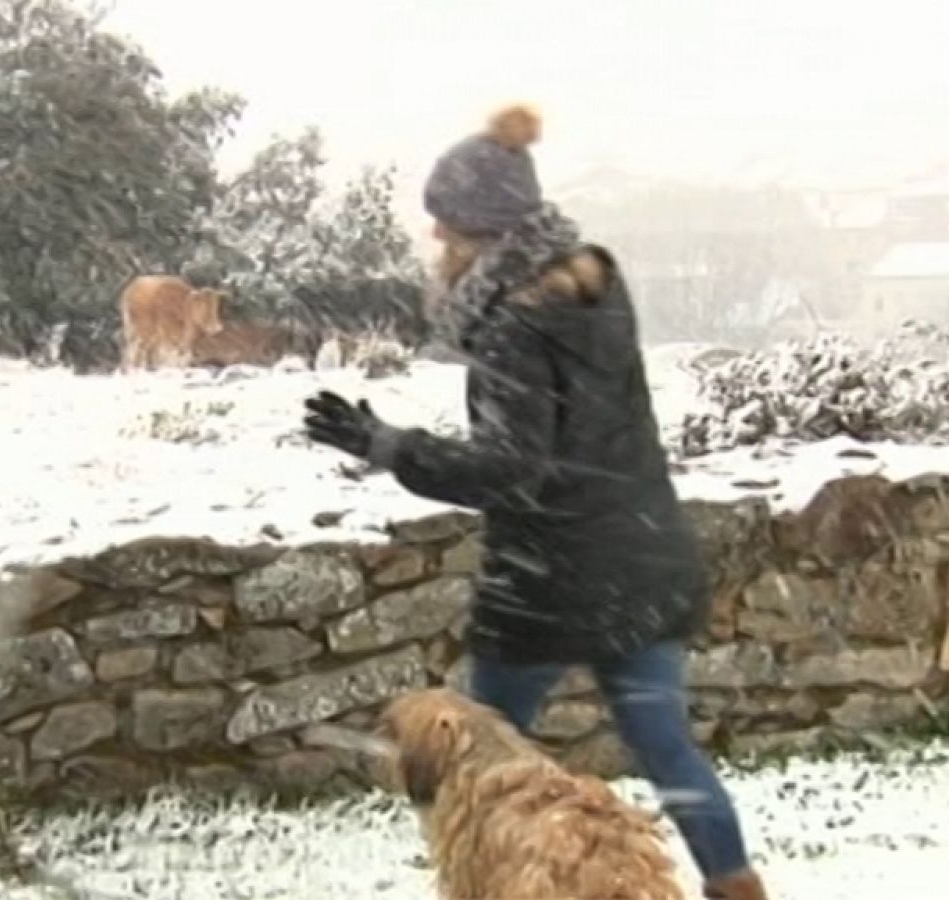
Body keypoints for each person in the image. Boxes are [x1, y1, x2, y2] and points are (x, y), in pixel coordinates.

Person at [301, 105, 770, 900]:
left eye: (446, 230)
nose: (438, 246)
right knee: (668, 751)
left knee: (475, 756)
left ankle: (485, 879)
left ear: (482, 231)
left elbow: (512, 468)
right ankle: (735, 888)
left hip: (552, 576)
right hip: (642, 559)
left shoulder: (515, 323)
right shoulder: (594, 283)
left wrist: (390, 446)